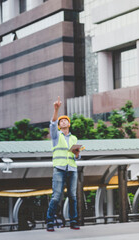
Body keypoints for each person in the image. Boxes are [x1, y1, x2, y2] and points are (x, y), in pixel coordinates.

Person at [46, 96, 81, 232]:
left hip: (72, 169)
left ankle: (73, 222)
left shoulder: (74, 138)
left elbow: (76, 155)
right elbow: (52, 124)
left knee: (73, 196)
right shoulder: (56, 136)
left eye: (66, 120)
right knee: (56, 196)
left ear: (69, 124)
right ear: (60, 125)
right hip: (59, 168)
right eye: (62, 121)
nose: (63, 122)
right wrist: (56, 109)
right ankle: (49, 222)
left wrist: (77, 154)